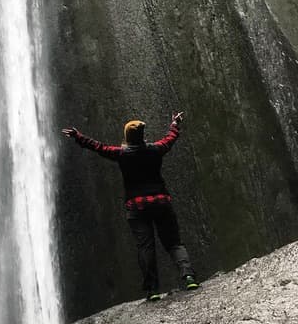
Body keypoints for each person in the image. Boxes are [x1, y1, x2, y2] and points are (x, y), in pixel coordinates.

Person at [62, 112, 199, 301]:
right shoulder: (155, 149)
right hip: (161, 202)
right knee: (174, 243)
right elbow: (170, 138)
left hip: (137, 207)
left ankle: (152, 290)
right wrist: (175, 123)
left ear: (127, 137)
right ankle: (189, 276)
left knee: (145, 247)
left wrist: (78, 136)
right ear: (142, 136)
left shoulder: (121, 154)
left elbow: (98, 147)